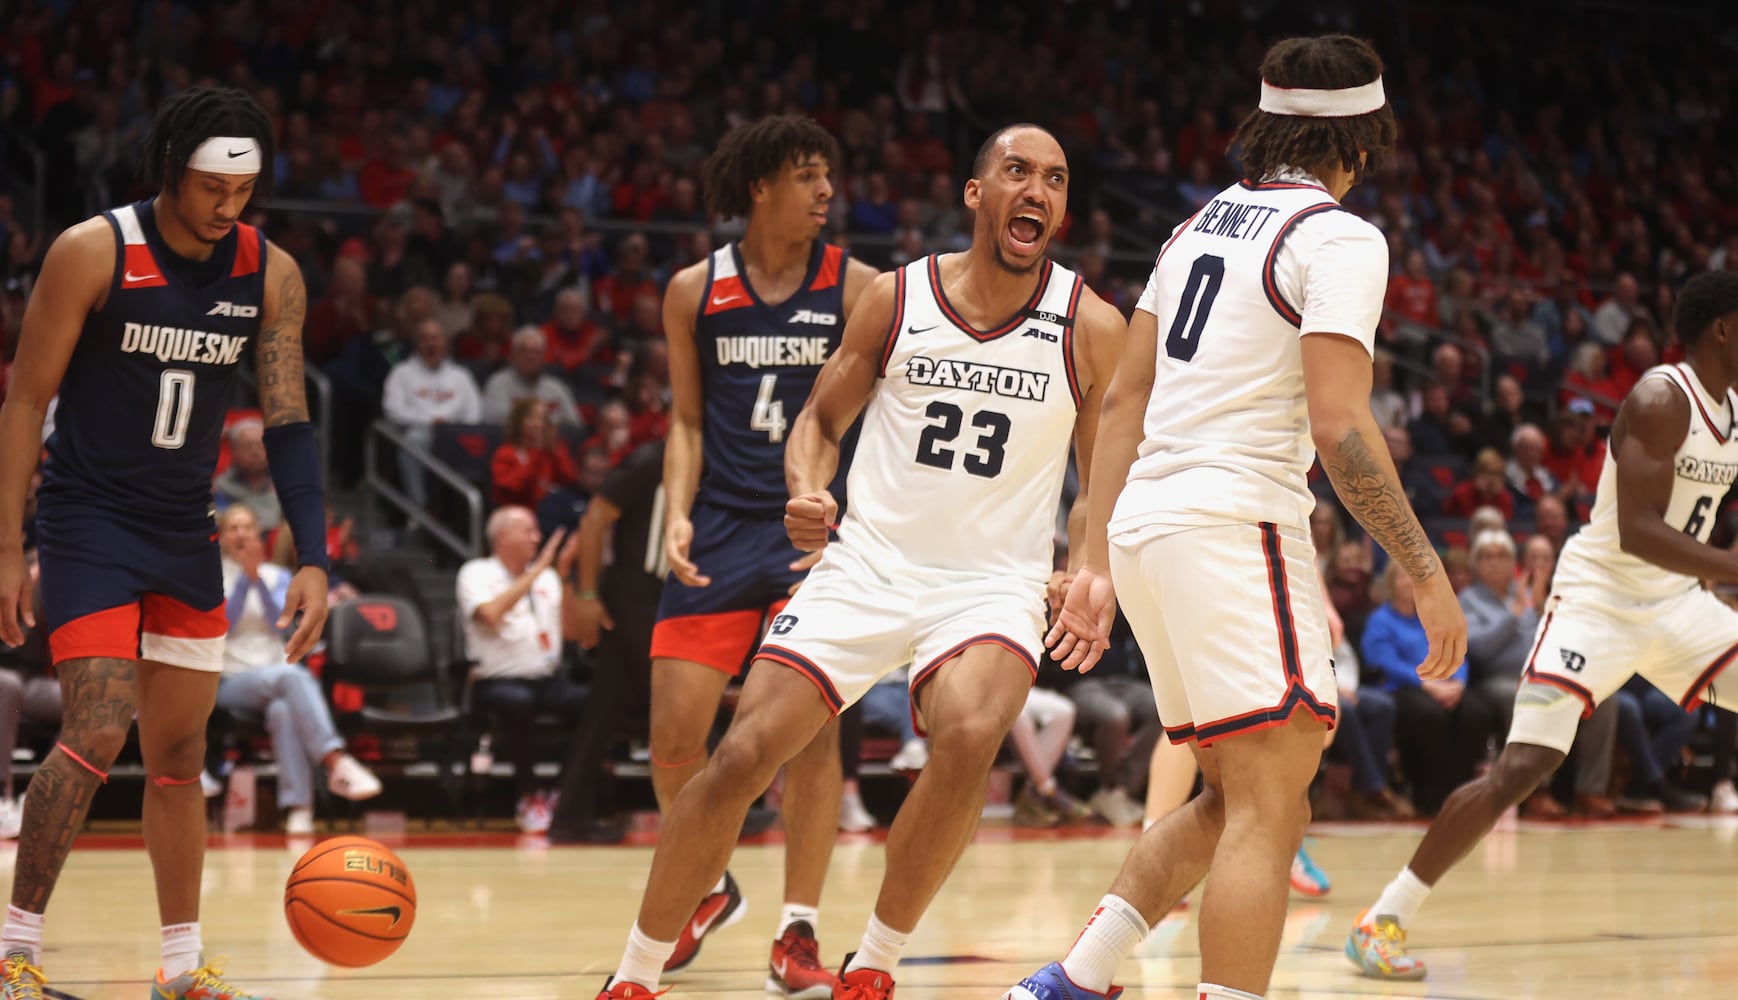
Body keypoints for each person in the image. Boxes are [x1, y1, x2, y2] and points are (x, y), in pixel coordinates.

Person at [595, 122, 1125, 1000]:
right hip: (868, 565)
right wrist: (809, 488)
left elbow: (1099, 477)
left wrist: (1085, 564)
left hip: (991, 585)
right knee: (739, 756)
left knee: (966, 735)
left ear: (1063, 209)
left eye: (1056, 180)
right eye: (1017, 172)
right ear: (976, 192)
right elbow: (818, 422)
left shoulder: (1090, 326)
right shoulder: (897, 298)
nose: (1036, 190)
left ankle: (872, 961)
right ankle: (636, 974)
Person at [1009, 37, 1465, 1000]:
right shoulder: (1340, 237)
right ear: (1363, 140)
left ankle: (1073, 981)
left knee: (1230, 797)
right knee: (1270, 808)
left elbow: (1124, 402)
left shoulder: (1193, 229)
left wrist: (1091, 557)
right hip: (1233, 522)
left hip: (1149, 532)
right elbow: (1342, 429)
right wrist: (1425, 571)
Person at [0, 87, 331, 1000]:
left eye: (246, 189)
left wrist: (314, 554)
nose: (230, 205)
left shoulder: (271, 271)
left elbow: (290, 423)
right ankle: (13, 950)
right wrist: (5, 548)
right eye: (211, 185)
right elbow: (24, 400)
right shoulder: (92, 250)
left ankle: (181, 969)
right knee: (100, 726)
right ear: (169, 170)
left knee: (181, 757)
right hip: (87, 521)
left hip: (185, 529)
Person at [1347, 269, 1738, 981]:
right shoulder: (1659, 398)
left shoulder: (1732, 410)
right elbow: (1639, 535)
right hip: (1600, 600)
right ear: (1723, 328)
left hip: (1680, 603)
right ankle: (1382, 919)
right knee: (1523, 769)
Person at [644, 114, 878, 991]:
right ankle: (707, 886)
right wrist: (675, 510)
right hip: (717, 527)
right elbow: (687, 420)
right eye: (808, 176)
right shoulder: (692, 290)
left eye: (828, 175)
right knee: (672, 734)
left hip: (806, 535)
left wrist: (853, 516)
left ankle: (799, 932)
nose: (826, 191)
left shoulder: (857, 286)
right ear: (759, 187)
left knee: (806, 733)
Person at [214, 505, 380, 835]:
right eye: (233, 527)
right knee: (294, 676)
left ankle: (299, 809)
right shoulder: (211, 573)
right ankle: (335, 760)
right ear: (221, 536)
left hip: (274, 678)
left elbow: (282, 622)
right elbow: (224, 625)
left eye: (248, 526)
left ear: (258, 534)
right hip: (229, 679)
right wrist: (245, 582)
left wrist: (257, 579)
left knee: (283, 712)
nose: (241, 533)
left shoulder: (278, 576)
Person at [457, 506, 587, 834]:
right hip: (496, 681)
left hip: (546, 679)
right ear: (502, 537)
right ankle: (527, 795)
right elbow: (489, 614)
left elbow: (573, 631)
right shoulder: (475, 572)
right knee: (517, 703)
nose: (537, 537)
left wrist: (566, 572)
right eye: (528, 531)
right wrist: (537, 570)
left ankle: (563, 793)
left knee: (595, 704)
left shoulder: (547, 577)